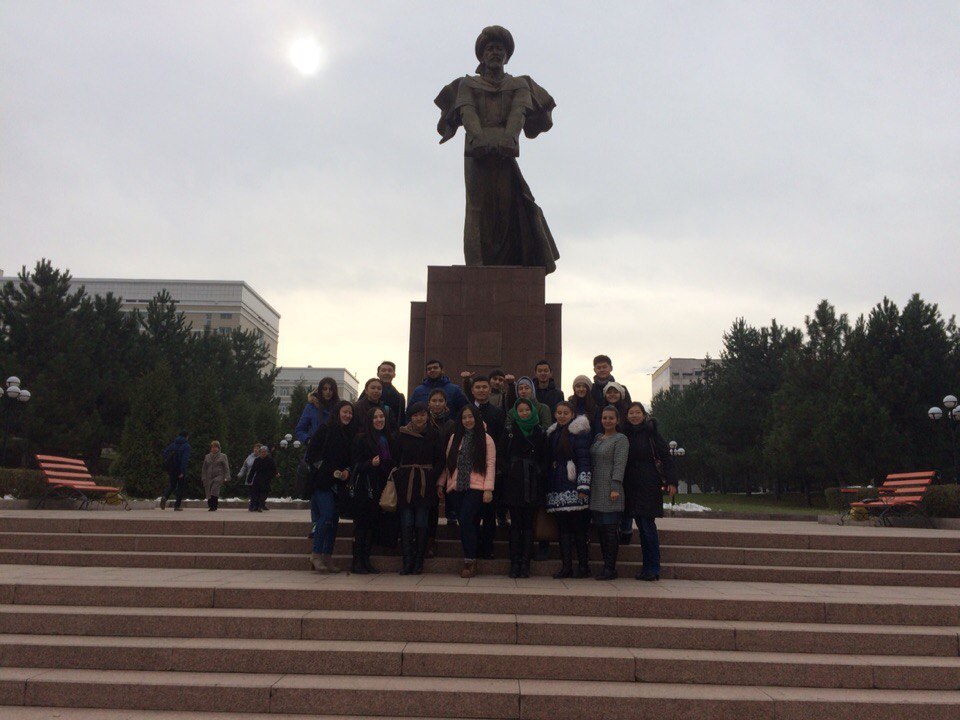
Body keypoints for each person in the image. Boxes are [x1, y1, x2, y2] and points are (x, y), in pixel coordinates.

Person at [434, 25, 559, 273]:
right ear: (482, 55)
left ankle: (505, 263)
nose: (495, 53)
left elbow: (518, 114)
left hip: (504, 152)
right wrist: (479, 139)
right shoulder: (467, 85)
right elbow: (468, 112)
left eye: (500, 49)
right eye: (490, 48)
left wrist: (508, 139)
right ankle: (476, 266)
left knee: (507, 208)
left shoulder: (519, 85)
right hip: (476, 153)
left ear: (506, 55)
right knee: (476, 208)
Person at [438, 404, 497, 578]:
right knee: (466, 523)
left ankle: (470, 561)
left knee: (465, 519)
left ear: (476, 418)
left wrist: (488, 489)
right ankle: (472, 554)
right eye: (464, 417)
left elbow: (490, 465)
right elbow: (449, 463)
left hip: (476, 487)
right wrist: (441, 483)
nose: (467, 420)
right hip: (457, 487)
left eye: (470, 417)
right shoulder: (455, 437)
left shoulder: (486, 439)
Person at [622, 402, 677, 581]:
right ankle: (647, 568)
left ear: (644, 415)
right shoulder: (625, 434)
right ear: (627, 416)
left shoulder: (652, 433)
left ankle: (653, 568)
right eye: (631, 413)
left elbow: (666, 457)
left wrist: (672, 481)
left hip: (649, 484)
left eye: (637, 412)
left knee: (648, 527)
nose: (634, 416)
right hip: (632, 485)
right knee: (641, 526)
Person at [305, 401, 355, 573]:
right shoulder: (325, 429)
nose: (348, 415)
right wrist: (329, 470)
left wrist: (347, 470)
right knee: (326, 515)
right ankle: (316, 554)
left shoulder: (349, 434)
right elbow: (311, 455)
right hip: (322, 482)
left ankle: (327, 556)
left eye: (350, 413)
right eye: (345, 412)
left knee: (333, 520)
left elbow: (350, 459)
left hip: (338, 484)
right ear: (337, 412)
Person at [395, 402, 444, 575]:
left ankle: (419, 561)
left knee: (422, 522)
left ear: (427, 416)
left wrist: (431, 476)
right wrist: (400, 476)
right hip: (406, 483)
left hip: (425, 484)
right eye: (415, 415)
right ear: (410, 417)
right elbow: (395, 457)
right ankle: (407, 561)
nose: (419, 418)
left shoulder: (434, 434)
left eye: (422, 414)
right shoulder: (402, 434)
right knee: (407, 522)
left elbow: (440, 459)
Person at [545, 403, 592, 578]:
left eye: (566, 413)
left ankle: (583, 567)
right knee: (563, 531)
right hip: (557, 486)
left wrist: (583, 485)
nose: (562, 416)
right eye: (559, 413)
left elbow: (584, 460)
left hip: (574, 486)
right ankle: (566, 567)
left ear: (572, 415)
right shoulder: (552, 434)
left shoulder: (579, 433)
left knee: (579, 530)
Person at [501, 398, 546, 578]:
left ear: (532, 411)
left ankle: (525, 563)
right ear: (515, 413)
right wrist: (510, 470)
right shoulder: (509, 431)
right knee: (515, 524)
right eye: (521, 410)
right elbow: (501, 455)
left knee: (528, 525)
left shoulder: (540, 431)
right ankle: (515, 563)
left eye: (527, 410)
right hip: (514, 483)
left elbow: (545, 456)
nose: (524, 413)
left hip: (532, 484)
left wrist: (538, 471)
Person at [349, 407, 397, 574]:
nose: (379, 420)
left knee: (372, 527)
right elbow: (355, 464)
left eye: (381, 416)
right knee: (362, 526)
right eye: (375, 417)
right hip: (365, 488)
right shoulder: (361, 439)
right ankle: (357, 561)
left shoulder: (387, 438)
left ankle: (366, 560)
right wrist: (370, 463)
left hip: (379, 488)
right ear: (369, 421)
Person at [466, 374, 506, 558]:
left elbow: (501, 441)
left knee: (489, 512)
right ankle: (473, 547)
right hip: (469, 469)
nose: (481, 390)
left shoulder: (498, 413)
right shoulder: (466, 412)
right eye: (478, 387)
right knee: (472, 512)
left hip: (490, 469)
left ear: (490, 390)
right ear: (472, 390)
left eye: (484, 387)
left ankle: (487, 548)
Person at [590, 406, 629, 581]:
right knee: (600, 530)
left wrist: (615, 486)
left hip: (611, 489)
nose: (607, 421)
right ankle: (606, 565)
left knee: (610, 531)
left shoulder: (621, 439)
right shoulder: (598, 438)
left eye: (611, 418)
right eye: (604, 418)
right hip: (596, 489)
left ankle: (610, 568)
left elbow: (619, 464)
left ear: (617, 420)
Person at [295, 378, 340, 444]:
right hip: (315, 447)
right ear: (320, 390)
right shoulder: (311, 407)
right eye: (325, 389)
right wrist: (308, 440)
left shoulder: (339, 408)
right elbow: (300, 429)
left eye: (331, 389)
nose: (328, 392)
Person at [160, 431, 191, 511]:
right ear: (187, 436)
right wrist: (182, 471)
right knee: (180, 487)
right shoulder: (186, 446)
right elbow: (184, 460)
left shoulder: (173, 444)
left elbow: (164, 454)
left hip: (171, 468)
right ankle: (177, 506)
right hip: (179, 468)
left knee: (172, 485)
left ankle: (165, 496)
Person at [201, 440, 230, 511]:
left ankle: (214, 505)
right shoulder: (207, 456)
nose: (214, 449)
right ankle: (210, 505)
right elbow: (204, 468)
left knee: (214, 489)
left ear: (219, 448)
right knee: (209, 491)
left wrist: (227, 476)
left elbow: (226, 467)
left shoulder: (223, 456)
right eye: (213, 447)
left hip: (219, 476)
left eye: (216, 447)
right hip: (209, 476)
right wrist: (203, 477)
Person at [247, 445, 277, 513]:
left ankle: (260, 506)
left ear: (267, 453)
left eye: (265, 452)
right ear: (260, 453)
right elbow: (253, 470)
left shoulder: (270, 460)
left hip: (266, 479)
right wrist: (250, 478)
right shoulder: (257, 460)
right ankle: (254, 506)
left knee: (264, 493)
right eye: (262, 452)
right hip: (257, 478)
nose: (263, 453)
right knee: (255, 493)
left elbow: (274, 470)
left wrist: (270, 476)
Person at [377, 361, 406, 427]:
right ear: (378, 374)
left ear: (394, 374)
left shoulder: (400, 397)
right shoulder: (368, 393)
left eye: (389, 371)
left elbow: (401, 420)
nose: (386, 373)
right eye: (383, 370)